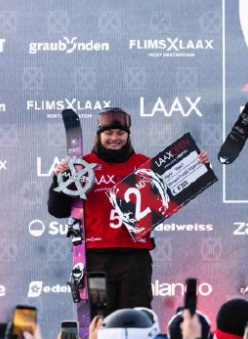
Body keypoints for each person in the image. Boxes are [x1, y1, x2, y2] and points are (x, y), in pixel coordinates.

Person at [47, 107, 210, 313]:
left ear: (128, 135)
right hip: (96, 259)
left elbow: (173, 188)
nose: (115, 138)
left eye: (120, 133)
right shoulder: (84, 165)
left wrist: (197, 166)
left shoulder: (143, 164)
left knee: (135, 317)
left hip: (135, 258)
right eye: (109, 133)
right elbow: (58, 210)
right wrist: (59, 179)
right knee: (100, 317)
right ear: (99, 135)